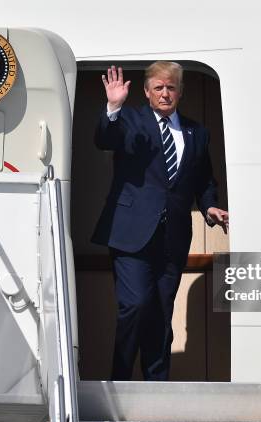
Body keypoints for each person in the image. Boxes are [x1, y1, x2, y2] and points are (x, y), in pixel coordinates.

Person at [92, 62, 229, 381]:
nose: (165, 94)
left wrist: (210, 207)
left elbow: (204, 180)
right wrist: (113, 105)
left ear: (179, 92)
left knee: (160, 314)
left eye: (170, 88)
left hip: (173, 238)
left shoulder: (197, 132)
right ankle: (120, 380)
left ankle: (157, 387)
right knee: (136, 305)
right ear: (146, 91)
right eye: (158, 88)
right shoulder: (129, 119)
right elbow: (103, 138)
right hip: (130, 233)